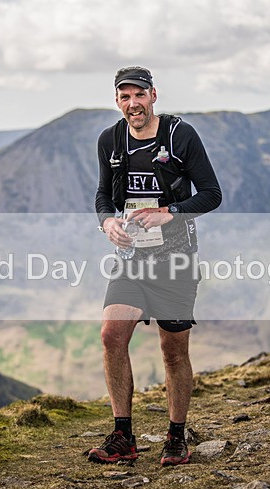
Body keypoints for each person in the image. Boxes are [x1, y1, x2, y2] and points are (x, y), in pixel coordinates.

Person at [91, 66, 222, 466]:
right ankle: (122, 436)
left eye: (140, 95)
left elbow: (212, 194)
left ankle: (176, 437)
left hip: (176, 262)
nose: (133, 103)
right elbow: (102, 193)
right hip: (131, 261)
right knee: (112, 336)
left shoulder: (180, 136)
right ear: (117, 101)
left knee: (173, 352)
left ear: (154, 95)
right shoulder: (110, 140)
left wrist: (171, 212)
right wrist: (107, 222)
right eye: (125, 96)